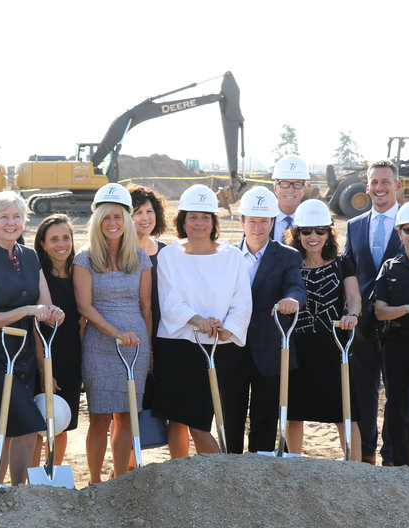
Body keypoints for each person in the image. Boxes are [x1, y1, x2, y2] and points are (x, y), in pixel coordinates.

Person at [0, 191, 64, 485]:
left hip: (24, 360)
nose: (11, 222)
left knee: (0, 431)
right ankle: (18, 496)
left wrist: (54, 313)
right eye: (4, 217)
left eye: (17, 216)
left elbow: (45, 305)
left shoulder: (29, 256)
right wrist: (29, 310)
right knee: (27, 427)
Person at [154, 184, 252, 456]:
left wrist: (227, 330)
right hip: (178, 344)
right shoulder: (168, 256)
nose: (199, 223)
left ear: (213, 222)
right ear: (182, 221)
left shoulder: (232, 257)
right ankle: (180, 473)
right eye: (193, 217)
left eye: (205, 217)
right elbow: (169, 300)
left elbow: (242, 300)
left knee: (200, 421)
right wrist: (198, 320)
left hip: (216, 346)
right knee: (178, 417)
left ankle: (218, 477)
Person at [72, 185, 151, 482]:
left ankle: (119, 480)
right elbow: (84, 306)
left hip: (135, 345)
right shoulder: (85, 259)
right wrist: (117, 332)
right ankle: (94, 481)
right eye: (106, 217)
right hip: (99, 345)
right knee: (100, 417)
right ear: (97, 221)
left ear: (127, 220)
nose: (113, 223)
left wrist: (149, 349)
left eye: (118, 216)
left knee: (128, 416)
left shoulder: (141, 259)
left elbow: (146, 307)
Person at [223, 186, 304, 454]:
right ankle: (230, 470)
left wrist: (291, 300)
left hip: (269, 351)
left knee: (265, 420)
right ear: (243, 221)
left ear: (273, 222)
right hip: (232, 348)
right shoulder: (225, 255)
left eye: (264, 221)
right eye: (253, 221)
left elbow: (296, 287)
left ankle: (260, 475)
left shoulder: (288, 256)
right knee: (230, 416)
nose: (258, 227)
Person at [284, 200, 361, 456]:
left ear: (329, 233)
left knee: (345, 413)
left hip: (334, 346)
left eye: (320, 230)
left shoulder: (342, 263)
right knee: (294, 412)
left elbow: (353, 297)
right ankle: (293, 465)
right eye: (306, 231)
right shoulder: (289, 264)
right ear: (298, 234)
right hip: (297, 347)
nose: (313, 236)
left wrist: (352, 314)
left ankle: (356, 470)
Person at [343, 159, 403, 465]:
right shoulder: (354, 226)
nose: (379, 188)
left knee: (396, 391)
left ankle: (391, 455)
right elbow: (348, 270)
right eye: (374, 183)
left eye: (385, 182)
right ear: (367, 187)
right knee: (363, 391)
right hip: (363, 325)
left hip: (399, 323)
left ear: (397, 185)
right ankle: (365, 452)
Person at [128, 184, 188, 458]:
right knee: (129, 409)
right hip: (131, 339)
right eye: (136, 212)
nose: (144, 217)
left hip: (166, 339)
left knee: (176, 408)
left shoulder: (166, 253)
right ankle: (125, 468)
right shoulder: (119, 255)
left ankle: (180, 466)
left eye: (149, 211)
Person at [372, 200, 409, 467]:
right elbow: (380, 311)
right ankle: (401, 467)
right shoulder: (390, 266)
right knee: (396, 411)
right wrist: (406, 309)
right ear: (399, 233)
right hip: (395, 348)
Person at [31, 214, 81, 469]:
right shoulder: (37, 277)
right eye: (54, 239)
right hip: (45, 354)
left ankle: (52, 475)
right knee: (39, 424)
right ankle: (31, 481)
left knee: (61, 424)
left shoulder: (78, 274)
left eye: (66, 238)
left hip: (72, 357)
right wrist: (42, 370)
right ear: (42, 243)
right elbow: (35, 328)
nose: (61, 244)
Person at [271, 155, 311, 242]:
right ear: (275, 188)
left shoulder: (314, 220)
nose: (291, 189)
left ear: (304, 189)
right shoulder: (262, 218)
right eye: (284, 183)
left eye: (297, 184)